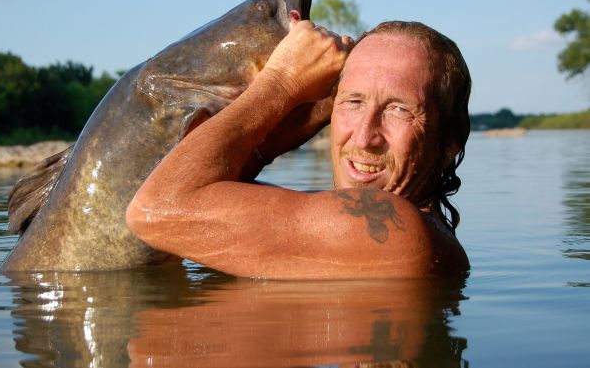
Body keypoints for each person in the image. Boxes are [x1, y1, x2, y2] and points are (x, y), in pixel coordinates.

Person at [126, 15, 471, 279]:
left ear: (450, 142)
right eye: (352, 101)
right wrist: (274, 141)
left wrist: (282, 83)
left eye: (399, 109)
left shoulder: (402, 233)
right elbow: (194, 211)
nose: (364, 137)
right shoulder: (351, 222)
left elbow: (152, 211)